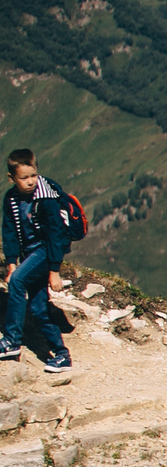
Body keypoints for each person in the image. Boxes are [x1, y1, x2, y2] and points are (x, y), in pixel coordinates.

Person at [0, 151, 75, 374]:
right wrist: (12, 263)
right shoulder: (11, 198)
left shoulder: (47, 198)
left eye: (33, 175)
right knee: (38, 307)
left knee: (17, 282)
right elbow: (10, 231)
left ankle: (12, 341)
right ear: (11, 177)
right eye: (24, 178)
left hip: (44, 252)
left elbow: (55, 236)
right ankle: (61, 355)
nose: (31, 181)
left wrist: (54, 270)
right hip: (28, 254)